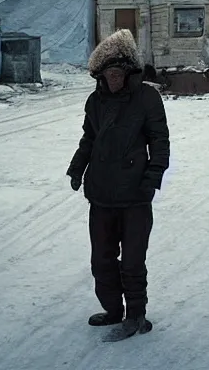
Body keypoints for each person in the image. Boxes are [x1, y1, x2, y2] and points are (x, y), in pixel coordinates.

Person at [66, 29, 170, 342]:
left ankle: (136, 314)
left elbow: (159, 141)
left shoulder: (147, 97)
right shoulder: (95, 101)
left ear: (128, 73)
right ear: (99, 75)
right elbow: (89, 138)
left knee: (133, 261)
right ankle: (112, 310)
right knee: (102, 259)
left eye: (117, 73)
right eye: (107, 74)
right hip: (100, 194)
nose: (113, 80)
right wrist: (76, 168)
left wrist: (151, 180)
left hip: (135, 195)